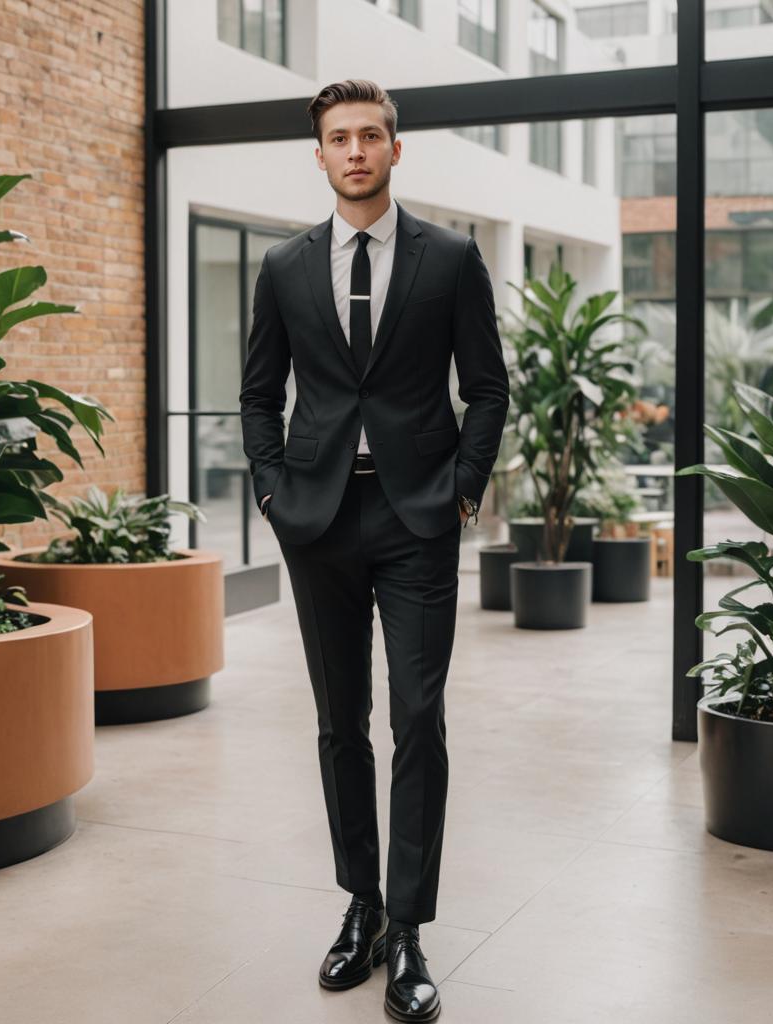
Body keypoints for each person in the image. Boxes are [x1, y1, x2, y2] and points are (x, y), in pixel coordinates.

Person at [238, 78, 509, 1022]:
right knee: (337, 723)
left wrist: (464, 490)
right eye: (338, 139)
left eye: (369, 136)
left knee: (418, 721)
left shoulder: (449, 259)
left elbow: (487, 389)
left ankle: (410, 931)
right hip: (316, 521)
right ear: (319, 156)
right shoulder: (283, 267)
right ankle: (359, 905)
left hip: (417, 519)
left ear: (397, 149)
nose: (354, 150)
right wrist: (272, 491)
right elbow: (257, 395)